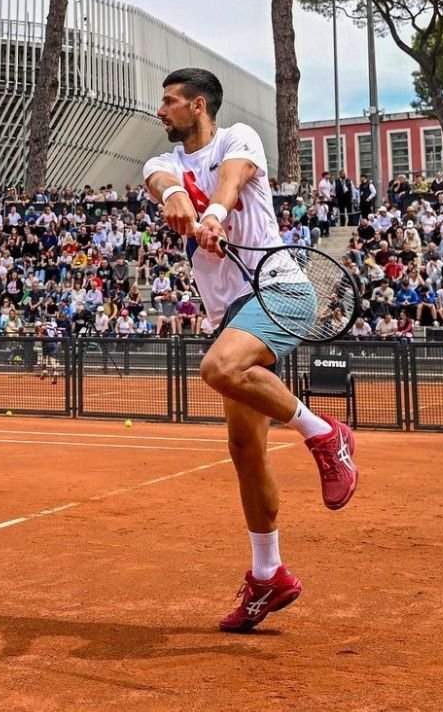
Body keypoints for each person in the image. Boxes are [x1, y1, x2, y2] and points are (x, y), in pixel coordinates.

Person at [143, 67, 357, 633]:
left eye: (168, 102)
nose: (159, 111)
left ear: (197, 105)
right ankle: (270, 576)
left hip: (279, 289)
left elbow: (233, 178)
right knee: (244, 448)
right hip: (230, 314)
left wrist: (213, 211)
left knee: (219, 367)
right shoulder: (161, 161)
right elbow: (162, 182)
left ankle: (324, 434)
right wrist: (177, 201)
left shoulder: (239, 138)